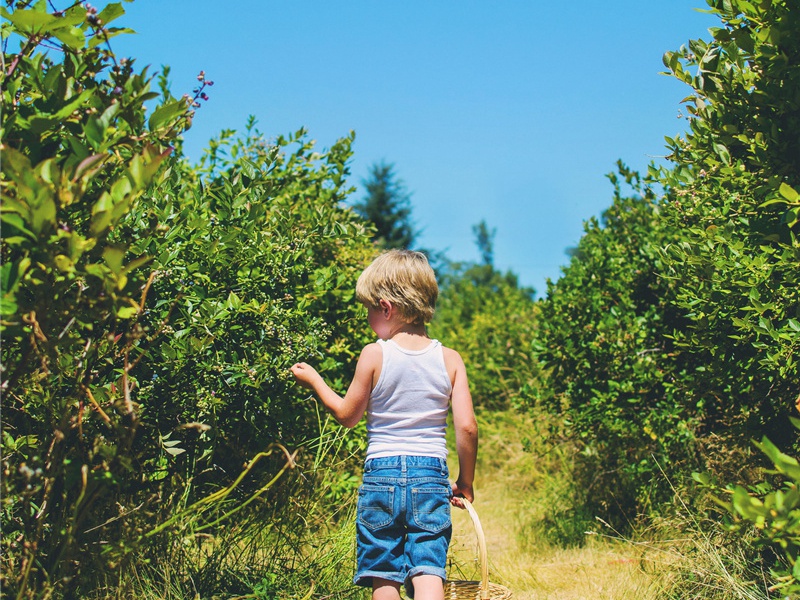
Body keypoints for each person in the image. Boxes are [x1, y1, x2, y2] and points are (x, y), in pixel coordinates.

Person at [290, 249, 478, 600]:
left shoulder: (374, 354)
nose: (368, 318)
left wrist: (316, 381)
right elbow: (466, 427)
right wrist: (465, 483)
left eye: (369, 309)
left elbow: (348, 416)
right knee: (428, 568)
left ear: (386, 307)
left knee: (384, 574)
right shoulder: (450, 359)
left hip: (382, 473)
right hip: (431, 475)